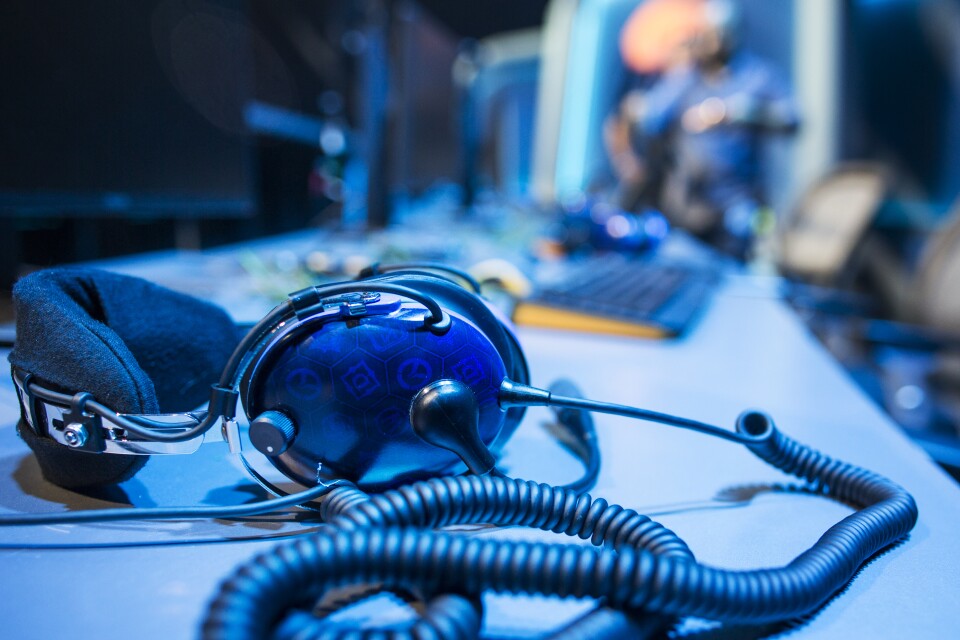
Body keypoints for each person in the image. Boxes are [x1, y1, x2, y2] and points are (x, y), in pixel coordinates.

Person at [605, 0, 798, 260]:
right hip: (687, 207)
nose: (710, 41)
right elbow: (650, 115)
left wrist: (738, 113)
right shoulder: (687, 77)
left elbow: (792, 119)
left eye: (717, 33)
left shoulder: (758, 76)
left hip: (736, 206)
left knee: (731, 275)